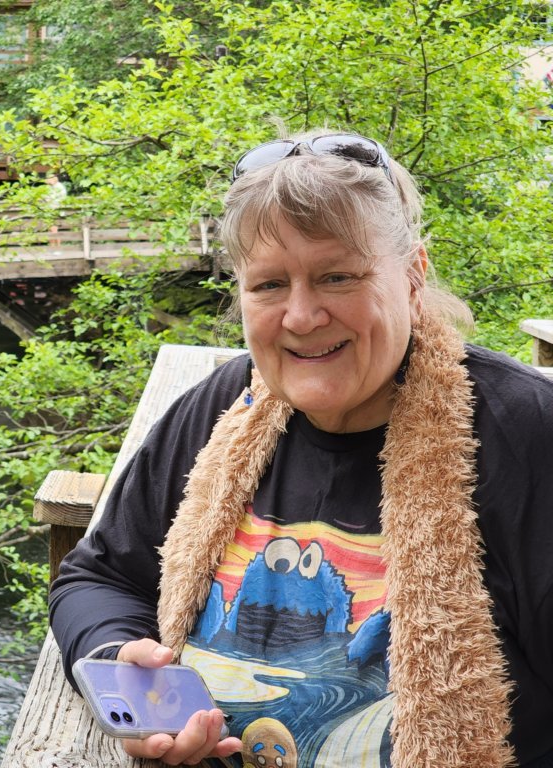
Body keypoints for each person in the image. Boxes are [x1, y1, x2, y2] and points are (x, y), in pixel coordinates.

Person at [49, 131, 553, 768]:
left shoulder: (524, 437)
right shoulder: (224, 409)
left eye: (337, 277)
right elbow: (100, 576)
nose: (301, 316)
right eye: (268, 285)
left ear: (413, 275)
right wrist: (120, 662)